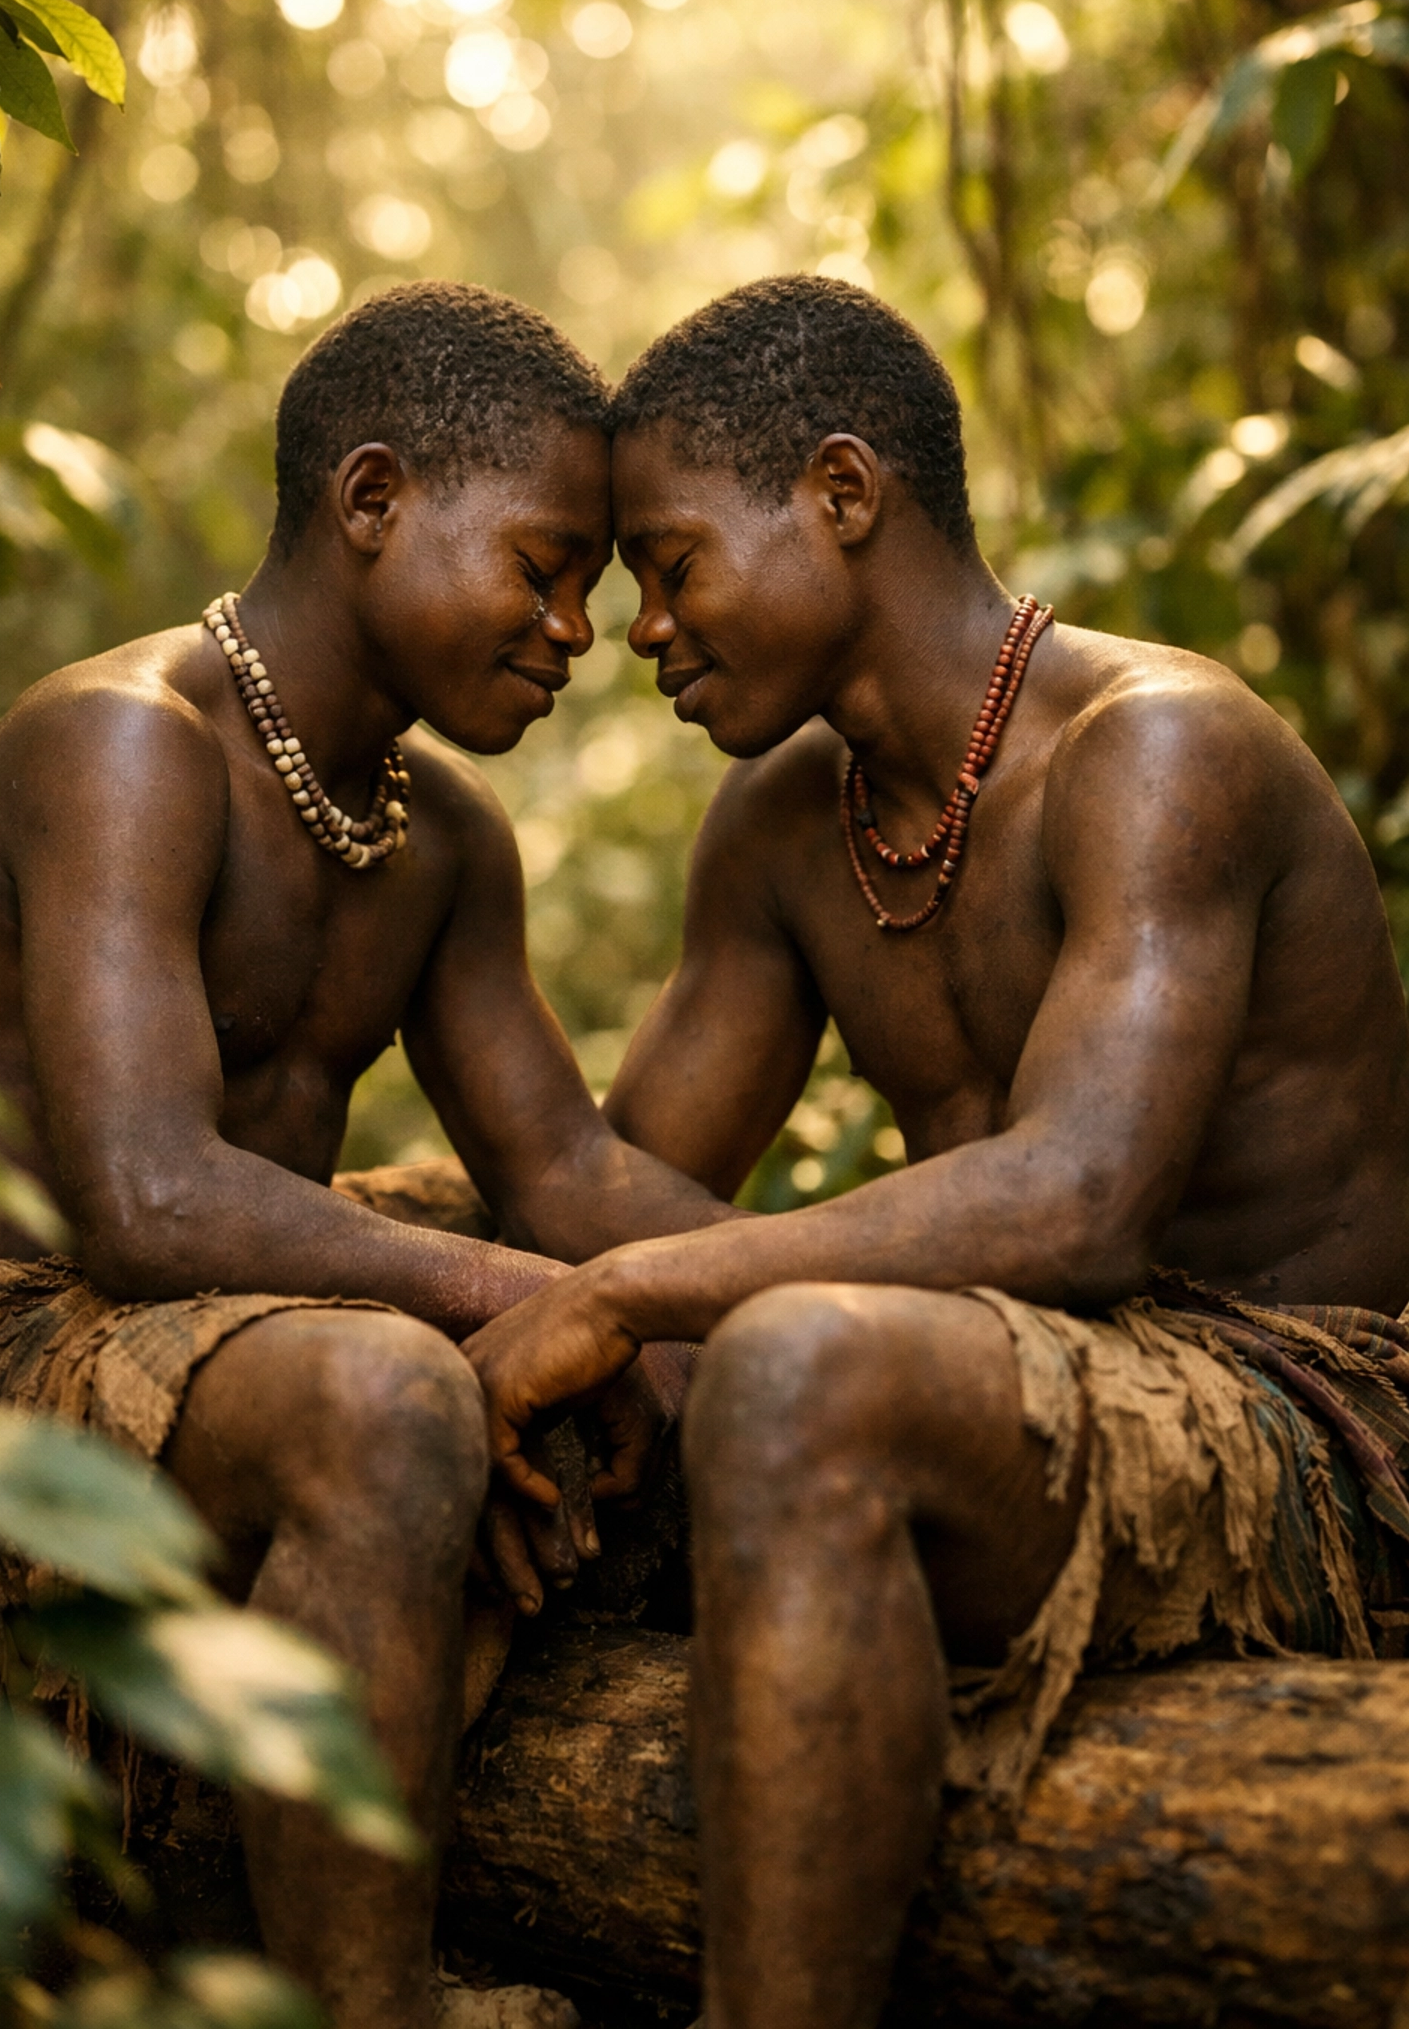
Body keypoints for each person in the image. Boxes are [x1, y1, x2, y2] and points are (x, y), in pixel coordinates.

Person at [462, 274, 1409, 2029]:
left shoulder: (1156, 750)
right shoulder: (782, 825)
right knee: (501, 1390)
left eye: (671, 564)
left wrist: (637, 1290)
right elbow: (610, 1174)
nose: (641, 629)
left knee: (788, 1370)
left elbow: (1081, 1201)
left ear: (842, 492)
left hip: (1301, 1426)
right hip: (1009, 1404)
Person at [0, 282, 732, 2029]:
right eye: (545, 568)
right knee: (395, 1397)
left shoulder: (442, 843)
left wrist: (823, 1284)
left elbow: (571, 1172)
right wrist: (531, 1300)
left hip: (197, 1347)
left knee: (740, 1365)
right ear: (373, 501)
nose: (578, 628)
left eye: (589, 584)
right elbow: (144, 1200)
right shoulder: (129, 746)